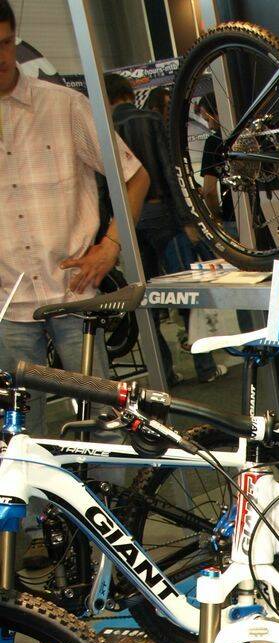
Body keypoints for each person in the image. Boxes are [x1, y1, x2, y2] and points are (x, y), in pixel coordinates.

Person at [0, 1, 150, 433]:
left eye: (4, 43)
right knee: (19, 436)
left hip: (75, 293)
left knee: (102, 425)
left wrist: (111, 246)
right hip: (8, 302)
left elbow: (135, 177)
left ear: (14, 39)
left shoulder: (65, 106)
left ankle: (106, 480)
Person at [104, 74, 224, 384]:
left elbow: (101, 187)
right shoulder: (150, 120)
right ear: (130, 94)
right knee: (186, 294)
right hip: (162, 215)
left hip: (126, 223)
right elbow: (173, 174)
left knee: (143, 301)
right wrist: (187, 220)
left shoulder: (102, 129)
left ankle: (164, 373)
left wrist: (108, 237)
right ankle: (206, 367)